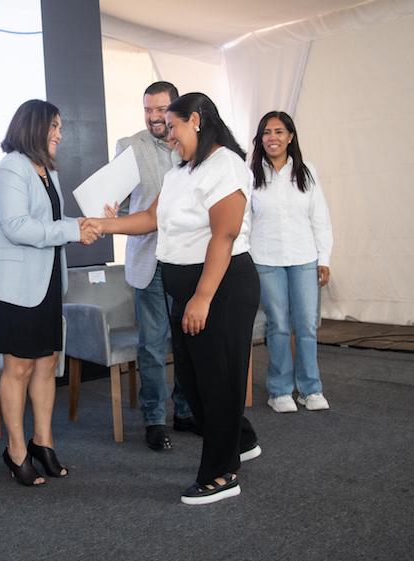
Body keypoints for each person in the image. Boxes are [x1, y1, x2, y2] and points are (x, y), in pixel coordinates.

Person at [86, 92, 261, 505]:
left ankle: (221, 473)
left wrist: (201, 297)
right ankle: (243, 437)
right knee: (196, 385)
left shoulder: (226, 166)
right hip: (191, 292)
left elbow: (225, 235)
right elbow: (150, 219)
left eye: (174, 127)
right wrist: (104, 224)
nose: (169, 137)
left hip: (222, 289)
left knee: (216, 385)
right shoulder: (181, 170)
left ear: (196, 121)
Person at [0, 99, 98, 486]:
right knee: (19, 367)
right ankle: (15, 451)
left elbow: (52, 221)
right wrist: (73, 231)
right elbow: (18, 227)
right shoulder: (11, 167)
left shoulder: (46, 169)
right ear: (34, 127)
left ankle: (43, 442)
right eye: (55, 127)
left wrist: (88, 223)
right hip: (12, 289)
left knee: (47, 364)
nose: (60, 134)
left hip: (43, 284)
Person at [111, 81, 195, 452]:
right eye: (147, 110)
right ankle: (154, 420)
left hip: (187, 257)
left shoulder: (191, 145)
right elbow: (121, 205)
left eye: (160, 110)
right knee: (153, 343)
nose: (153, 117)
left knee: (187, 341)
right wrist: (110, 210)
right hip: (149, 259)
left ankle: (186, 412)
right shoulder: (130, 148)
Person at [249, 111, 333, 413]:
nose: (273, 138)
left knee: (307, 325)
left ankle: (311, 389)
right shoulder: (251, 174)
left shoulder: (307, 171)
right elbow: (245, 221)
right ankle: (280, 390)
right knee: (280, 325)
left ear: (290, 137)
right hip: (266, 259)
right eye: (267, 132)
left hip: (304, 258)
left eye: (279, 132)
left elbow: (320, 219)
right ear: (260, 139)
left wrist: (324, 259)